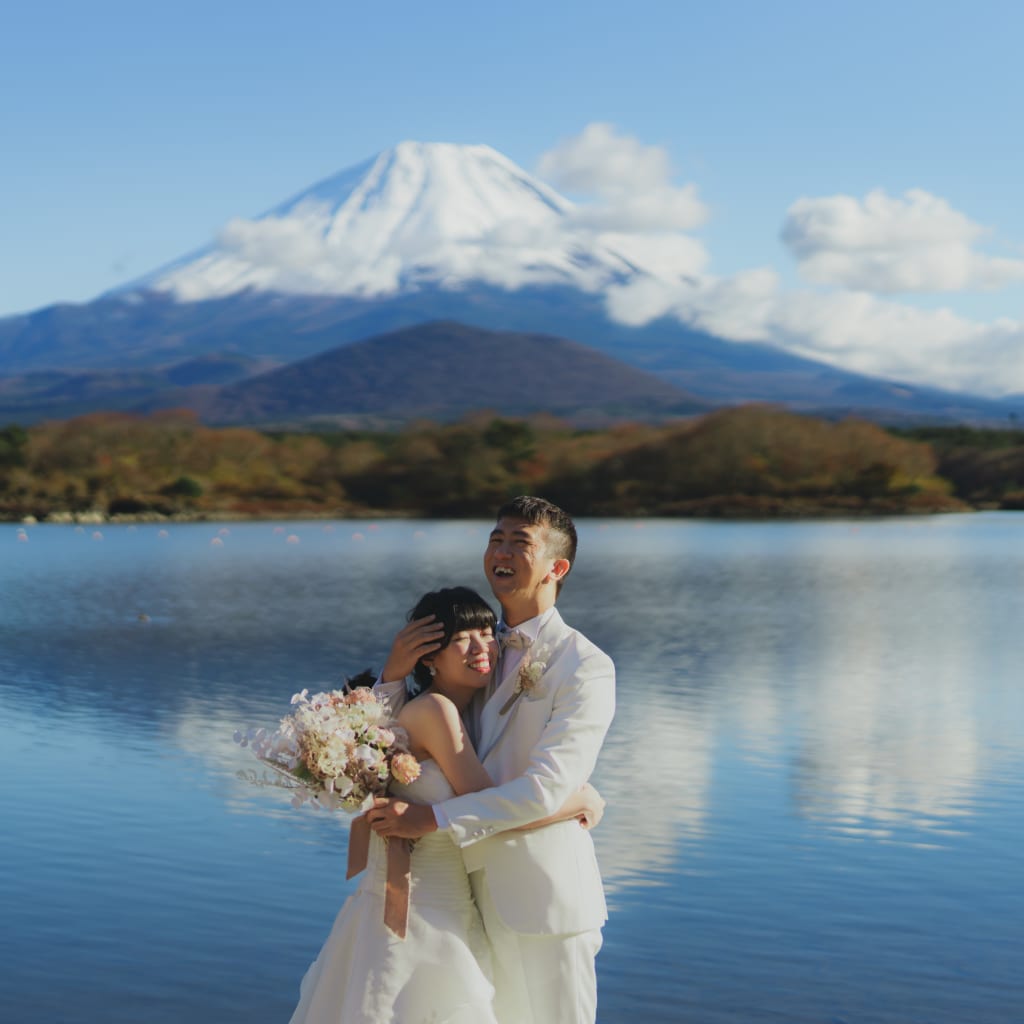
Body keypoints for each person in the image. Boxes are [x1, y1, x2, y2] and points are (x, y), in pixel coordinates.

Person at [287, 586, 602, 1024]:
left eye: (487, 632)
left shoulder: (445, 709)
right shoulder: (437, 711)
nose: (483, 647)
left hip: (435, 902)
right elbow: (488, 805)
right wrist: (578, 802)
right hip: (424, 911)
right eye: (462, 638)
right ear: (429, 656)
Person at [368, 496, 616, 1024]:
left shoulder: (584, 666)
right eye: (495, 539)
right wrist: (393, 673)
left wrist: (430, 818)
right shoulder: (476, 648)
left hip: (544, 899)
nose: (500, 551)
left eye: (519, 542)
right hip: (464, 899)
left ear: (557, 567)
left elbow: (546, 788)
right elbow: (404, 736)